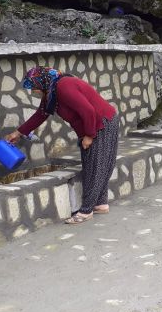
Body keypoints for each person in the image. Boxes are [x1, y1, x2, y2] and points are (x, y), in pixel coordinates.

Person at [6, 67, 119, 225]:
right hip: (94, 125)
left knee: (96, 166)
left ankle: (86, 211)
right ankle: (100, 203)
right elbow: (40, 115)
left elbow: (88, 111)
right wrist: (18, 133)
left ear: (42, 82)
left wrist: (89, 135)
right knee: (92, 165)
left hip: (101, 123)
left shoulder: (63, 87)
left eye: (34, 88)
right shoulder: (51, 93)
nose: (34, 92)